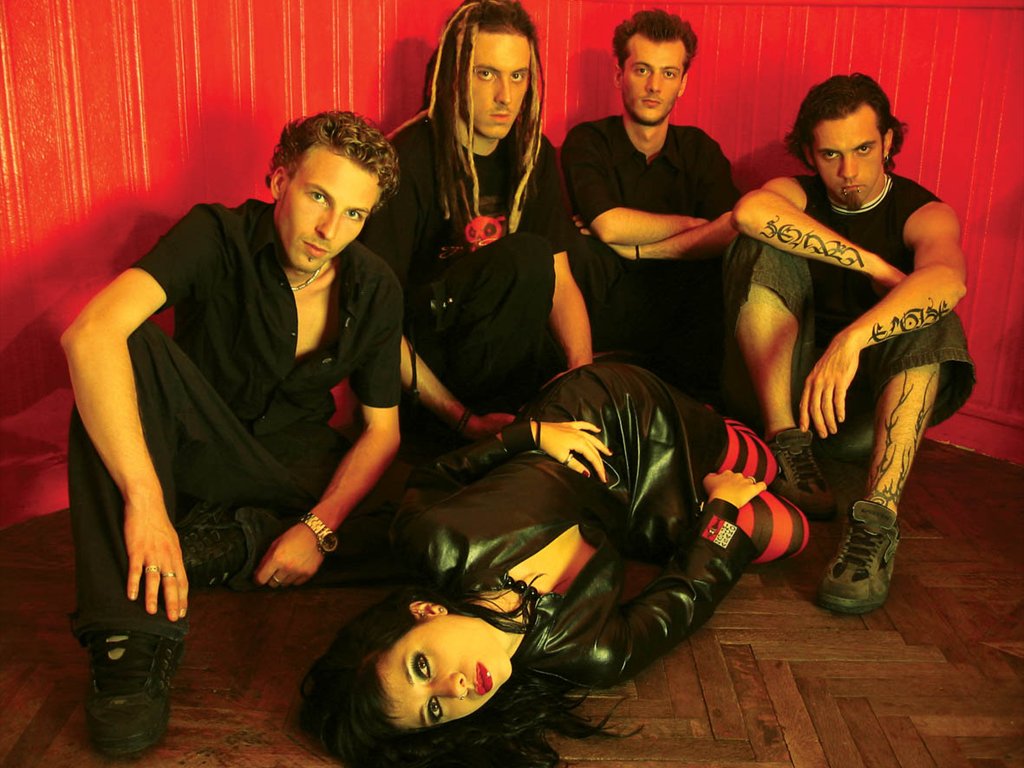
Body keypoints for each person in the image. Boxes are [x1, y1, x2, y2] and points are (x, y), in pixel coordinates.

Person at [60, 112, 404, 755]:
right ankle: (131, 640)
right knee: (124, 349)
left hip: (289, 469)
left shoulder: (375, 285)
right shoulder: (215, 233)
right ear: (279, 180)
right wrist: (145, 500)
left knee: (413, 514)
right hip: (196, 446)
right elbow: (89, 334)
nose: (330, 230)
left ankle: (228, 543)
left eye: (355, 213)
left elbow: (382, 431)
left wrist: (318, 529)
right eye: (319, 197)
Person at [302, 362, 809, 767]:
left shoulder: (433, 539)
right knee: (793, 531)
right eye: (433, 711)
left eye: (422, 667)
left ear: (424, 612)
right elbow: (687, 594)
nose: (455, 689)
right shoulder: (589, 653)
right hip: (640, 507)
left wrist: (529, 434)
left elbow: (438, 475)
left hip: (598, 419)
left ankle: (697, 417)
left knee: (769, 463)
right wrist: (720, 510)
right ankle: (720, 448)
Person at [725, 74, 974, 613]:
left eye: (863, 149)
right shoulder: (798, 193)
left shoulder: (923, 212)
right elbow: (749, 214)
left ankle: (877, 521)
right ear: (809, 155)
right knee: (758, 245)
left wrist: (852, 340)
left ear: (888, 141)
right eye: (831, 154)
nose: (849, 172)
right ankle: (787, 445)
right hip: (786, 393)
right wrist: (876, 267)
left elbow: (948, 280)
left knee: (932, 313)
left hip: (864, 413)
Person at [360, 0, 593, 440]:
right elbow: (378, 320)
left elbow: (559, 281)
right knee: (526, 255)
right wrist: (463, 420)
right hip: (433, 383)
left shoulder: (533, 155)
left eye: (518, 76)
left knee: (546, 266)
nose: (505, 96)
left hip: (509, 363)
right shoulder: (408, 159)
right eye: (486, 74)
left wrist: (584, 378)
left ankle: (529, 426)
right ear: (453, 75)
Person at [561, 9, 739, 399]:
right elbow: (608, 225)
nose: (654, 86)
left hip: (684, 335)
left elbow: (732, 227)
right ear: (618, 74)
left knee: (733, 260)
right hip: (602, 323)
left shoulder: (700, 151)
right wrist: (694, 225)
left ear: (683, 83)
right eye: (642, 70)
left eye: (668, 73)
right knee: (568, 248)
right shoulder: (588, 141)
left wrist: (638, 248)